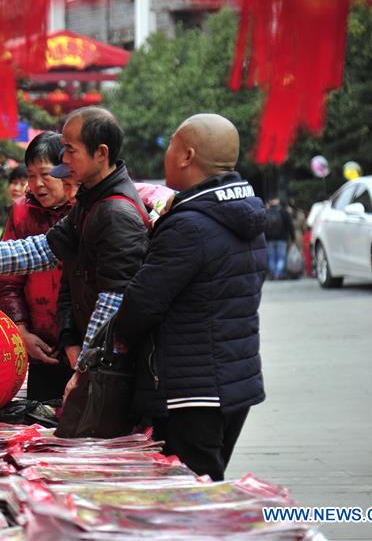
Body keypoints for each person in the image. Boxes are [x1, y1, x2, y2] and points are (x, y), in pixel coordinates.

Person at [0, 107, 150, 404]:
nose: (65, 159)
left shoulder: (115, 212)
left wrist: (85, 368)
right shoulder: (90, 203)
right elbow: (46, 249)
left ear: (100, 153)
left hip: (110, 368)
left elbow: (112, 301)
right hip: (78, 352)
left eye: (70, 150)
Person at [109, 113, 266, 481]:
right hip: (234, 380)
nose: (166, 155)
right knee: (208, 481)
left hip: (190, 387)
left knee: (192, 493)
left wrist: (117, 340)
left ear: (187, 156)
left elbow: (144, 302)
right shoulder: (244, 214)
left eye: (170, 147)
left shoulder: (188, 224)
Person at [0, 133, 77, 401]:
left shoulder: (85, 209)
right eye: (31, 176)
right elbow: (8, 280)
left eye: (45, 174)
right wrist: (21, 331)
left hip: (83, 348)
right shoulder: (21, 212)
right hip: (40, 346)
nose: (37, 184)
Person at [264, 197, 294, 280]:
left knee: (271, 257)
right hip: (282, 239)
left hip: (269, 239)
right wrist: (292, 237)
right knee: (281, 257)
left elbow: (264, 226)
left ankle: (273, 274)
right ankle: (278, 273)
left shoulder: (267, 212)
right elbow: (290, 225)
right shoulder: (283, 211)